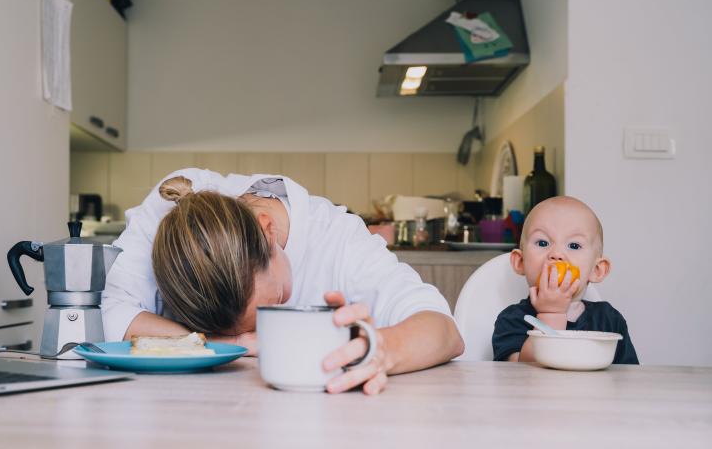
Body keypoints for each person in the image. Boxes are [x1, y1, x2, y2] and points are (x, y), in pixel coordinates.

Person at [102, 169, 464, 394]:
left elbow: (443, 330)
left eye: (273, 303)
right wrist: (229, 344)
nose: (258, 333)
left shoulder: (338, 240)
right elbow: (107, 312)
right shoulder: (172, 206)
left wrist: (382, 348)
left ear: (267, 229)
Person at [492, 196, 638, 364]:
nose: (557, 254)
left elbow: (628, 378)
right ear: (520, 262)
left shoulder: (610, 320)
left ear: (597, 270)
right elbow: (520, 375)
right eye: (542, 242)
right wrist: (551, 314)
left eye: (574, 246)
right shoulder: (512, 319)